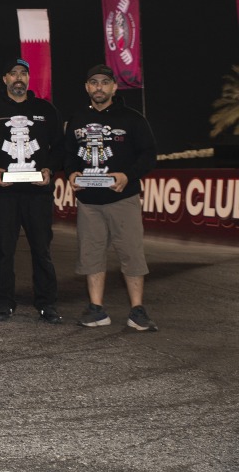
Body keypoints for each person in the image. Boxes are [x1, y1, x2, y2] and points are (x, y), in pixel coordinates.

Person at [64, 64, 158, 331]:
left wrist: (128, 175)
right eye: (93, 82)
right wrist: (71, 174)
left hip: (122, 198)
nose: (99, 87)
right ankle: (97, 309)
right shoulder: (77, 118)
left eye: (105, 82)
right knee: (91, 255)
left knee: (131, 254)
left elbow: (149, 154)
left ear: (114, 87)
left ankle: (137, 310)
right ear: (87, 87)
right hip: (89, 202)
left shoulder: (132, 118)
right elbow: (69, 155)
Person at [0, 58, 63, 324]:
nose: (19, 78)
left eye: (24, 73)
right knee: (4, 249)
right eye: (13, 74)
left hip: (38, 193)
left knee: (42, 249)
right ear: (5, 79)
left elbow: (59, 147)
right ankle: (3, 302)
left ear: (28, 78)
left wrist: (50, 169)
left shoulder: (45, 110)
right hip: (4, 193)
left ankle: (47, 303)